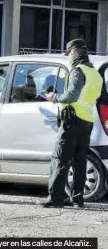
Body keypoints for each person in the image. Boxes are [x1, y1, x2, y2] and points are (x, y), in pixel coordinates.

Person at [42, 39, 103, 208]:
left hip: (72, 120)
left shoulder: (78, 72)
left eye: (69, 54)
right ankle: (77, 198)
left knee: (60, 159)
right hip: (87, 120)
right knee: (79, 160)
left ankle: (56, 198)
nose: (68, 57)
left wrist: (53, 97)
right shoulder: (95, 74)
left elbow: (70, 97)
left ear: (74, 53)